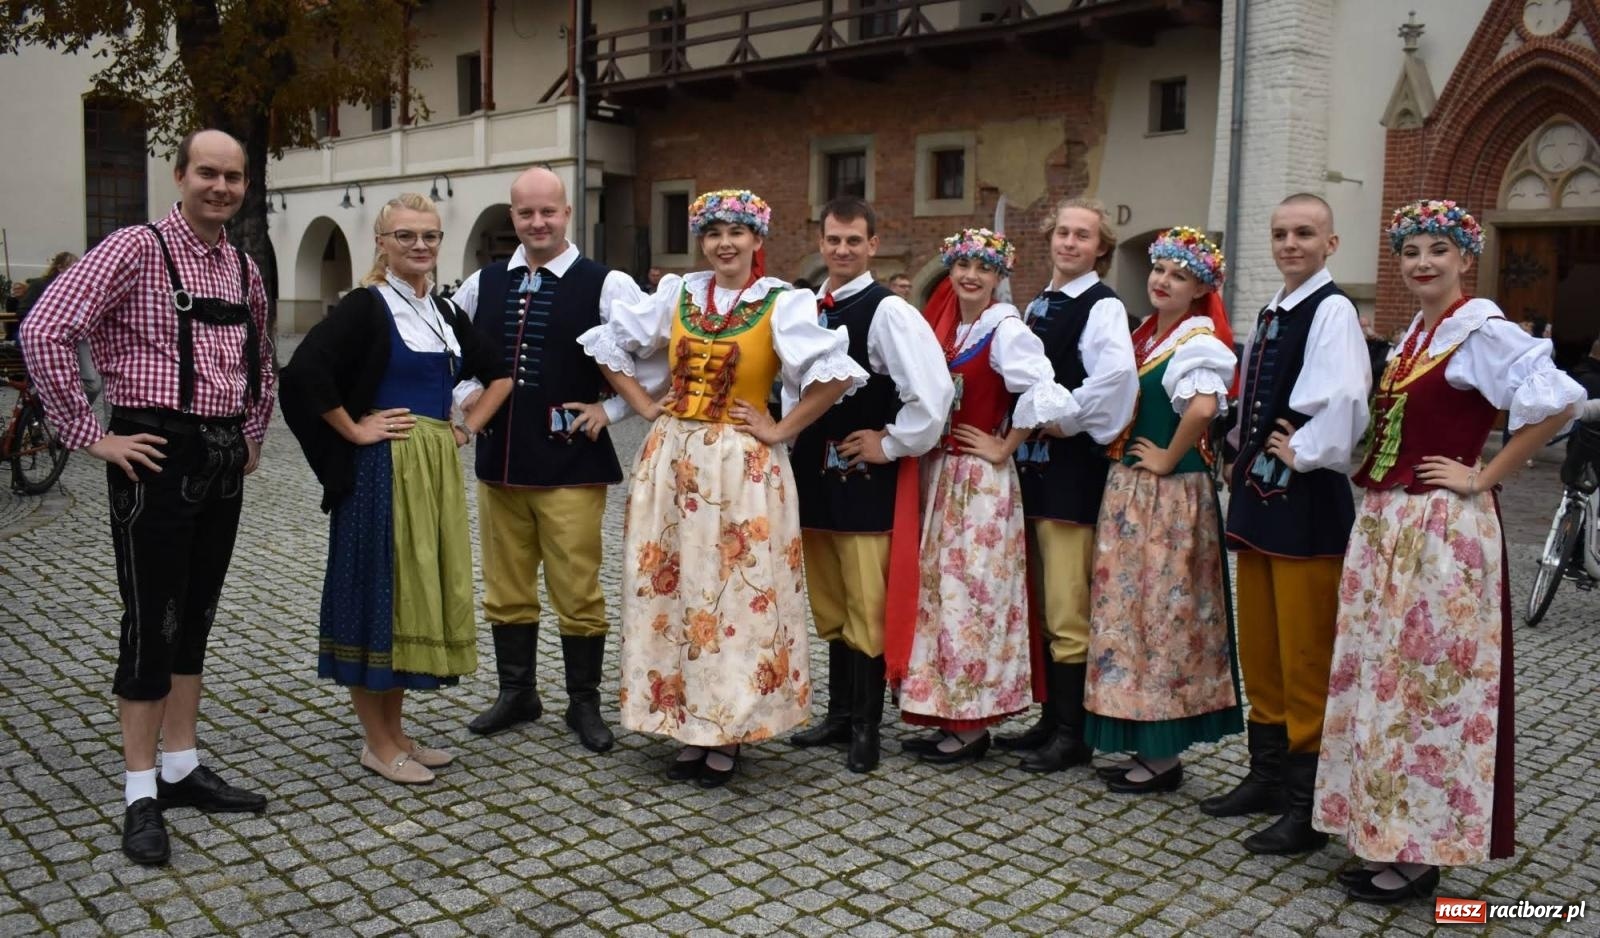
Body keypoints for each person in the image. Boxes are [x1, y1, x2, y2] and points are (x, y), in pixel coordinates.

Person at [1314, 200, 1585, 904]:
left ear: (1466, 257)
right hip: (1389, 522)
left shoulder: (1480, 328)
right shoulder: (1417, 333)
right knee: (1384, 680)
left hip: (1441, 531)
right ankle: (1384, 830)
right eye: (1411, 251)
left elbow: (1559, 401)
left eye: (1438, 249)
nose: (1423, 262)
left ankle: (1422, 852)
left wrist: (1483, 474)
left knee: (1427, 686)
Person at [19, 129, 276, 866]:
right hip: (153, 454)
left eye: (233, 177)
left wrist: (252, 432)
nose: (220, 187)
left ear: (244, 185)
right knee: (150, 622)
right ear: (181, 174)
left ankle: (181, 765)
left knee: (194, 617)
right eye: (208, 173)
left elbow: (261, 359)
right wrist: (90, 435)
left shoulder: (241, 266)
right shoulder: (136, 248)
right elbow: (45, 330)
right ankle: (140, 791)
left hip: (220, 459)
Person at [579, 189, 866, 787]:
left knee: (735, 595)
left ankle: (729, 729)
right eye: (713, 234)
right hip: (673, 461)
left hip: (743, 468)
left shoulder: (783, 302)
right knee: (676, 589)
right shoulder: (678, 294)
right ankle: (687, 722)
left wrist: (781, 428)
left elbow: (836, 374)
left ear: (757, 240)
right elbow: (607, 343)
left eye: (736, 232)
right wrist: (643, 406)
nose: (724, 243)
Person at [280, 192, 511, 785]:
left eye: (429, 235)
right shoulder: (366, 305)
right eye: (405, 235)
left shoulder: (444, 311)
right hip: (380, 473)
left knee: (410, 595)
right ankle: (378, 744)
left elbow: (501, 374)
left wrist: (467, 426)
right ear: (381, 243)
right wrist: (355, 429)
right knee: (378, 597)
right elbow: (304, 373)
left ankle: (396, 733)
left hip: (431, 470)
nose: (419, 245)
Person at [448, 167, 653, 753]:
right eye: (525, 213)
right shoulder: (483, 283)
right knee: (505, 587)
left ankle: (583, 704)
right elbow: (448, 350)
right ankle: (518, 694)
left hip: (571, 466)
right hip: (501, 463)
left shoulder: (607, 284)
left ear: (566, 213)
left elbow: (655, 357)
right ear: (512, 217)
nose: (537, 222)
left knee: (577, 588)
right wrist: (468, 395)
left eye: (548, 212)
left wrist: (612, 409)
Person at [1208, 193, 1370, 855]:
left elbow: (1347, 397)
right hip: (1261, 501)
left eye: (1304, 233)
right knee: (1263, 646)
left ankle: (1307, 806)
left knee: (1305, 654)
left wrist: (1303, 450)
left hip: (1305, 506)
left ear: (1330, 244)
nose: (1290, 244)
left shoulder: (1332, 310)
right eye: (1280, 233)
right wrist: (1236, 447)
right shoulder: (1276, 307)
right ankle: (1267, 776)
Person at [894, 228, 1078, 765]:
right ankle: (947, 712)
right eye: (964, 266)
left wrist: (1006, 444)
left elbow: (1042, 391)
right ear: (950, 270)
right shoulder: (953, 328)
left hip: (978, 486)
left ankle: (972, 724)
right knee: (941, 598)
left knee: (971, 597)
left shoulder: (1006, 329)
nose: (971, 276)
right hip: (942, 475)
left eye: (984, 268)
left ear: (999, 277)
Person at [786, 197, 952, 773]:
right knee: (830, 602)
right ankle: (838, 716)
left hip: (863, 481)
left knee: (865, 604)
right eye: (833, 240)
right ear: (821, 242)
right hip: (813, 477)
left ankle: (866, 728)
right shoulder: (806, 307)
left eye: (853, 240)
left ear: (872, 245)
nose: (842, 250)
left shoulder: (889, 312)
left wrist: (892, 442)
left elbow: (931, 394)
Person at [1082, 227, 1241, 793]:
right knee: (1130, 616)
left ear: (1200, 289)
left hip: (1168, 499)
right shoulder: (1147, 335)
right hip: (1134, 493)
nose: (1163, 281)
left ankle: (1164, 756)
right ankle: (1142, 741)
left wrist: (1168, 458)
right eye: (1159, 270)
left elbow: (1202, 407)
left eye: (1179, 276)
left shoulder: (1197, 339)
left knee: (1163, 616)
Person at [997, 198, 1138, 774]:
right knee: (1040, 599)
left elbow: (1117, 378)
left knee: (1066, 604)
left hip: (1071, 473)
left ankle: (1072, 734)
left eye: (1083, 235)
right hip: (1031, 469)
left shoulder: (1102, 306)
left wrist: (1066, 417)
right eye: (1062, 232)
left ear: (1100, 247)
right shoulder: (1039, 303)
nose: (1070, 242)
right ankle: (1050, 718)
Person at [18, 252, 102, 405]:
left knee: (93, 385)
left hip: (76, 337)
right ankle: (47, 406)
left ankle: (67, 407)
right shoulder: (40, 285)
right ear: (60, 268)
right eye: (72, 266)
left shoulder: (78, 287)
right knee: (54, 382)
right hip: (46, 337)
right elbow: (23, 311)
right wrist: (45, 321)